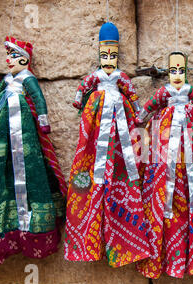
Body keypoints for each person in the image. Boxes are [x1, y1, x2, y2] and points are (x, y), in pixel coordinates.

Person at [64, 22, 151, 267]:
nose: (109, 60)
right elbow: (83, 88)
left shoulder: (121, 77)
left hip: (120, 126)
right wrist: (79, 99)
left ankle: (124, 236)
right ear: (99, 55)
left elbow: (132, 93)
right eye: (105, 55)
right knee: (89, 169)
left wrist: (138, 111)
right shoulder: (96, 77)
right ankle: (88, 239)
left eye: (113, 55)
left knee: (125, 163)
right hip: (95, 121)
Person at [0, 36, 66, 267]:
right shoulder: (6, 82)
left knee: (29, 168)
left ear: (25, 59)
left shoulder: (27, 79)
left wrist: (44, 121)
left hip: (24, 130)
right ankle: (6, 228)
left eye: (14, 56)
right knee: (4, 168)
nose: (9, 60)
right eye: (8, 56)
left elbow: (37, 98)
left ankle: (33, 229)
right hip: (3, 134)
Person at [134, 51, 193, 278]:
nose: (176, 75)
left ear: (186, 71)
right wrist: (141, 116)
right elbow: (151, 105)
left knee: (192, 180)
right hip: (165, 140)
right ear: (168, 72)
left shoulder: (189, 91)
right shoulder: (164, 91)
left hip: (190, 139)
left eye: (180, 71)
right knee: (163, 185)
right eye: (173, 71)